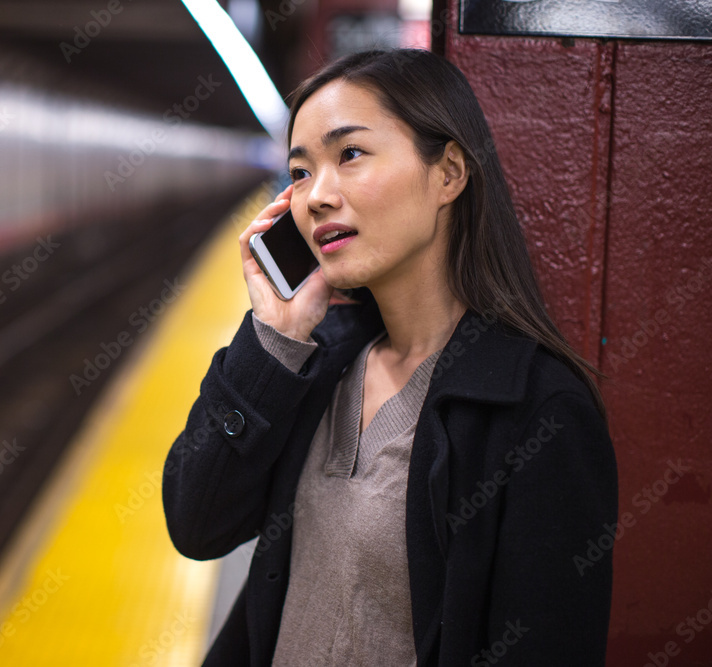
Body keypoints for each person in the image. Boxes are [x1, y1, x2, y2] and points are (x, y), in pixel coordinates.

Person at [162, 49, 617, 666]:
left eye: (349, 154)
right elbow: (197, 523)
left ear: (448, 173)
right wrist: (273, 337)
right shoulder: (313, 365)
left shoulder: (535, 412)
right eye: (299, 173)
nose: (316, 197)